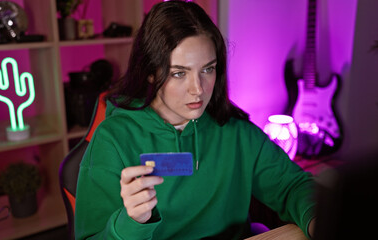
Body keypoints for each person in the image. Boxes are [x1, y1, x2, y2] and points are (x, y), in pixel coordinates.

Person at [75, 1, 316, 239]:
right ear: (150, 72)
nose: (198, 89)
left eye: (207, 69)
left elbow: (293, 186)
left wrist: (316, 219)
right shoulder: (113, 139)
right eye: (179, 73)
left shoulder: (236, 131)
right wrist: (130, 223)